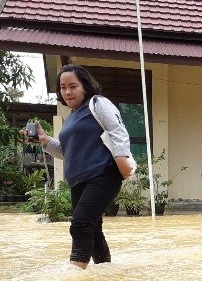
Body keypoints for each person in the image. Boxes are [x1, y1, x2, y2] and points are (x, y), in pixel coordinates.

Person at [32, 64, 133, 269]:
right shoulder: (72, 117)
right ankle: (105, 271)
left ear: (85, 86)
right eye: (63, 87)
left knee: (80, 224)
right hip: (79, 181)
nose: (67, 92)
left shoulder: (97, 103)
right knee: (93, 228)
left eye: (73, 86)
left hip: (103, 174)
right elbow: (65, 151)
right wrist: (44, 140)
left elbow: (118, 131)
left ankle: (75, 273)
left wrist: (122, 159)